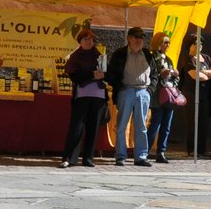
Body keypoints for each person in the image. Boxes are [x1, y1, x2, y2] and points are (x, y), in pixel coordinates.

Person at [106, 26, 153, 166]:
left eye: (142, 37)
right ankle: (120, 156)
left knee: (141, 126)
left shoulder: (147, 54)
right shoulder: (119, 54)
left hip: (143, 92)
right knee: (121, 125)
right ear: (129, 38)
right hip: (126, 91)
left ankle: (141, 157)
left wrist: (150, 90)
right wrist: (119, 88)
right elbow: (112, 73)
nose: (140, 40)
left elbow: (154, 74)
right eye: (137, 37)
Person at [60, 28, 107, 167]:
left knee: (93, 127)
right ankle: (69, 158)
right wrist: (92, 75)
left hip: (98, 96)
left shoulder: (99, 55)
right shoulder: (75, 56)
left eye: (90, 39)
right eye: (85, 39)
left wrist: (103, 74)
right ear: (80, 41)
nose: (88, 42)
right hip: (82, 95)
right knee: (77, 127)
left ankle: (88, 158)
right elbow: (74, 76)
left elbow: (106, 72)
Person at [145, 30, 181, 163]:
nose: (168, 45)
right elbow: (150, 76)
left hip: (169, 96)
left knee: (167, 125)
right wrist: (161, 75)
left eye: (169, 42)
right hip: (158, 96)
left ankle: (161, 152)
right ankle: (146, 151)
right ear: (158, 43)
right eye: (165, 42)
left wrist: (175, 76)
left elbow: (175, 80)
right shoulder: (152, 58)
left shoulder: (169, 59)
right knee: (155, 124)